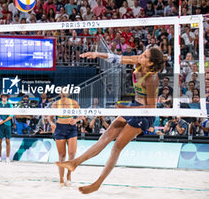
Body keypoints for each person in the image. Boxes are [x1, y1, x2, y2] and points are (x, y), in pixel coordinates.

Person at [56, 47, 164, 194]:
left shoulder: (152, 79)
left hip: (144, 114)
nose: (141, 56)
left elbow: (151, 107)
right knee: (106, 136)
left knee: (117, 146)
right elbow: (116, 58)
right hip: (134, 106)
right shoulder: (138, 62)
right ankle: (75, 162)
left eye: (144, 56)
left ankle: (97, 183)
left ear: (151, 64)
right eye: (142, 53)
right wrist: (97, 54)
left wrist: (125, 109)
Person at [49, 92, 83, 187]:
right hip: (60, 128)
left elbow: (81, 115)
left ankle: (69, 176)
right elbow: (50, 118)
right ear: (59, 93)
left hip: (71, 128)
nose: (63, 93)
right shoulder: (56, 104)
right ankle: (61, 180)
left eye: (65, 91)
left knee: (72, 155)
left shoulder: (73, 102)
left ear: (68, 93)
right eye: (61, 91)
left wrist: (76, 120)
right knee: (62, 155)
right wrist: (52, 123)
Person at [0, 94, 13, 163]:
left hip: (7, 124)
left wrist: (3, 121)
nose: (4, 98)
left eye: (5, 97)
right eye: (3, 97)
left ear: (7, 97)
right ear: (1, 97)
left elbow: (11, 116)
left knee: (7, 141)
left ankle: (7, 157)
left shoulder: (10, 105)